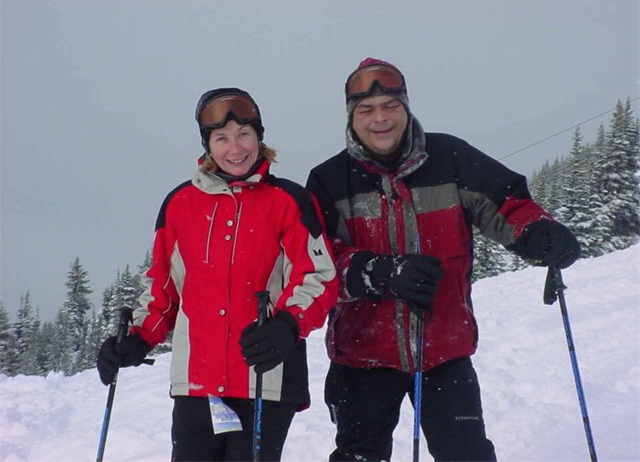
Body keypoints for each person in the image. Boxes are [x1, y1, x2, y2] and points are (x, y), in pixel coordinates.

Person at [306, 58, 581, 462]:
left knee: (466, 454)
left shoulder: (451, 157)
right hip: (361, 356)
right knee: (359, 456)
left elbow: (507, 204)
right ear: (351, 116)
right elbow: (319, 260)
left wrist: (538, 232)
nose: (379, 119)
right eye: (366, 110)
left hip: (444, 350)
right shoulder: (329, 179)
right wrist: (378, 272)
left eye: (390, 107)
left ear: (406, 106)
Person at [97, 87, 338, 462]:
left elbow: (318, 276)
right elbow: (165, 287)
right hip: (197, 384)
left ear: (259, 137)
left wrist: (288, 325)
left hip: (266, 377)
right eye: (221, 138)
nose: (235, 148)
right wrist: (138, 339)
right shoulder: (180, 204)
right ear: (208, 146)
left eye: (244, 134)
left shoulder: (289, 201)